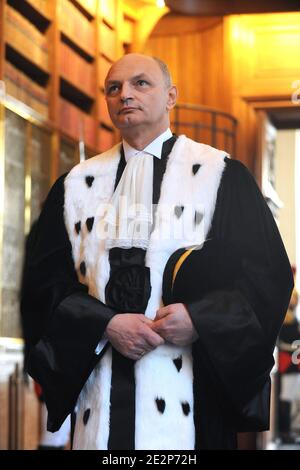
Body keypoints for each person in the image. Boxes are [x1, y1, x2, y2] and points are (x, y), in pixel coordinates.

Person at [21, 53, 294, 450]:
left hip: (195, 399)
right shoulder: (75, 186)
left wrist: (200, 319)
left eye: (140, 83)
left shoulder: (222, 175)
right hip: (100, 399)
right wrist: (103, 325)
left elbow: (266, 278)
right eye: (113, 88)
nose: (124, 95)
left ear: (171, 96)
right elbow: (43, 287)